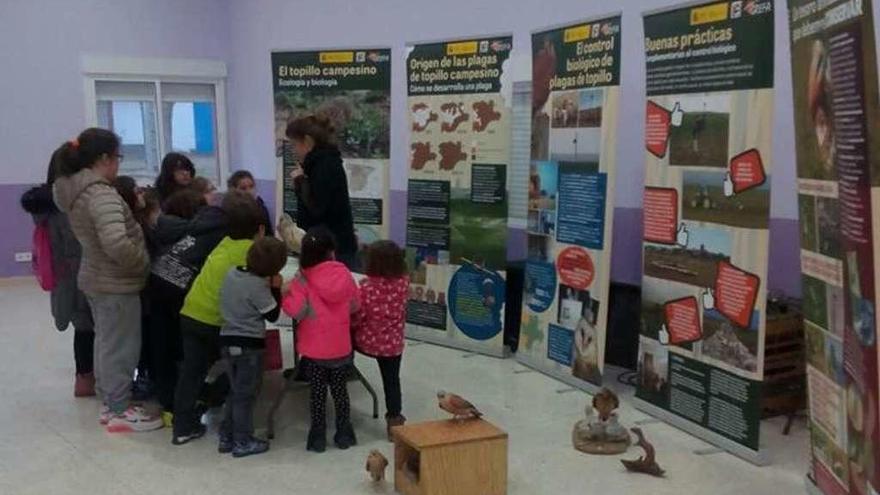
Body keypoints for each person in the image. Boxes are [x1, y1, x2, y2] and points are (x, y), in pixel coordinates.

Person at [52, 128, 159, 433]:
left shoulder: (78, 191)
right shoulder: (100, 194)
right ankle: (119, 409)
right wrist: (141, 263)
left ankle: (112, 403)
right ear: (103, 158)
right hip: (115, 281)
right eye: (117, 158)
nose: (118, 165)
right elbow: (116, 243)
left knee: (107, 343)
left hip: (97, 278)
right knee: (121, 347)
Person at [172, 191, 265, 445]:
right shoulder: (252, 253)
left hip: (190, 312)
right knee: (245, 366)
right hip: (216, 321)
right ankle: (225, 412)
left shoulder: (223, 242)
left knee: (192, 371)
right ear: (260, 229)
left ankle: (182, 427)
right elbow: (262, 289)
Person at [20, 150, 95, 397]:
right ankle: (91, 378)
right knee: (90, 325)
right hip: (83, 272)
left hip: (63, 274)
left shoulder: (44, 204)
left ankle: (84, 377)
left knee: (81, 326)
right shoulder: (72, 203)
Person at [148, 188, 225, 426]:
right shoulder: (219, 229)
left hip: (158, 279)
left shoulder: (184, 227)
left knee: (164, 345)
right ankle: (183, 402)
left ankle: (171, 399)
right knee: (189, 349)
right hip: (180, 289)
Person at [282, 227, 360, 453]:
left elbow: (296, 311)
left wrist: (286, 296)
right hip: (341, 348)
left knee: (317, 394)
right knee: (340, 392)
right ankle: (344, 432)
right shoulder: (345, 274)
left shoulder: (303, 280)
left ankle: (317, 435)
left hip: (315, 352)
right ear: (331, 252)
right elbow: (355, 305)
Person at [217, 237, 287, 458]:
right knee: (246, 395)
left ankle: (226, 435)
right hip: (249, 347)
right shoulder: (258, 286)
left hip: (227, 341)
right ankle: (243, 441)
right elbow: (273, 315)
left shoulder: (232, 273)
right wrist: (275, 288)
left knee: (235, 392)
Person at [352, 240, 409, 441]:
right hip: (393, 346)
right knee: (392, 382)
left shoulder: (365, 287)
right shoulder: (404, 283)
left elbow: (358, 316)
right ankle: (395, 423)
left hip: (367, 343)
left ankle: (342, 372)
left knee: (345, 334)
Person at [286, 115, 358, 270]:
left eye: (295, 145)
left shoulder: (324, 166)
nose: (294, 150)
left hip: (333, 250)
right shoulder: (321, 162)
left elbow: (317, 208)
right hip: (328, 246)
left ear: (307, 141)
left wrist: (300, 182)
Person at [113, 176, 160, 401]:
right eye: (136, 192)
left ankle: (145, 376)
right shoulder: (134, 226)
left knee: (146, 335)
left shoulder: (139, 222)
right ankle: (142, 378)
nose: (141, 195)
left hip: (144, 290)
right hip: (139, 289)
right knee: (140, 337)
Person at [228, 170, 274, 237]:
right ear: (233, 191)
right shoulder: (230, 210)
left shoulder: (261, 208)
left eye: (251, 186)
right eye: (243, 188)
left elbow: (269, 234)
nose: (249, 192)